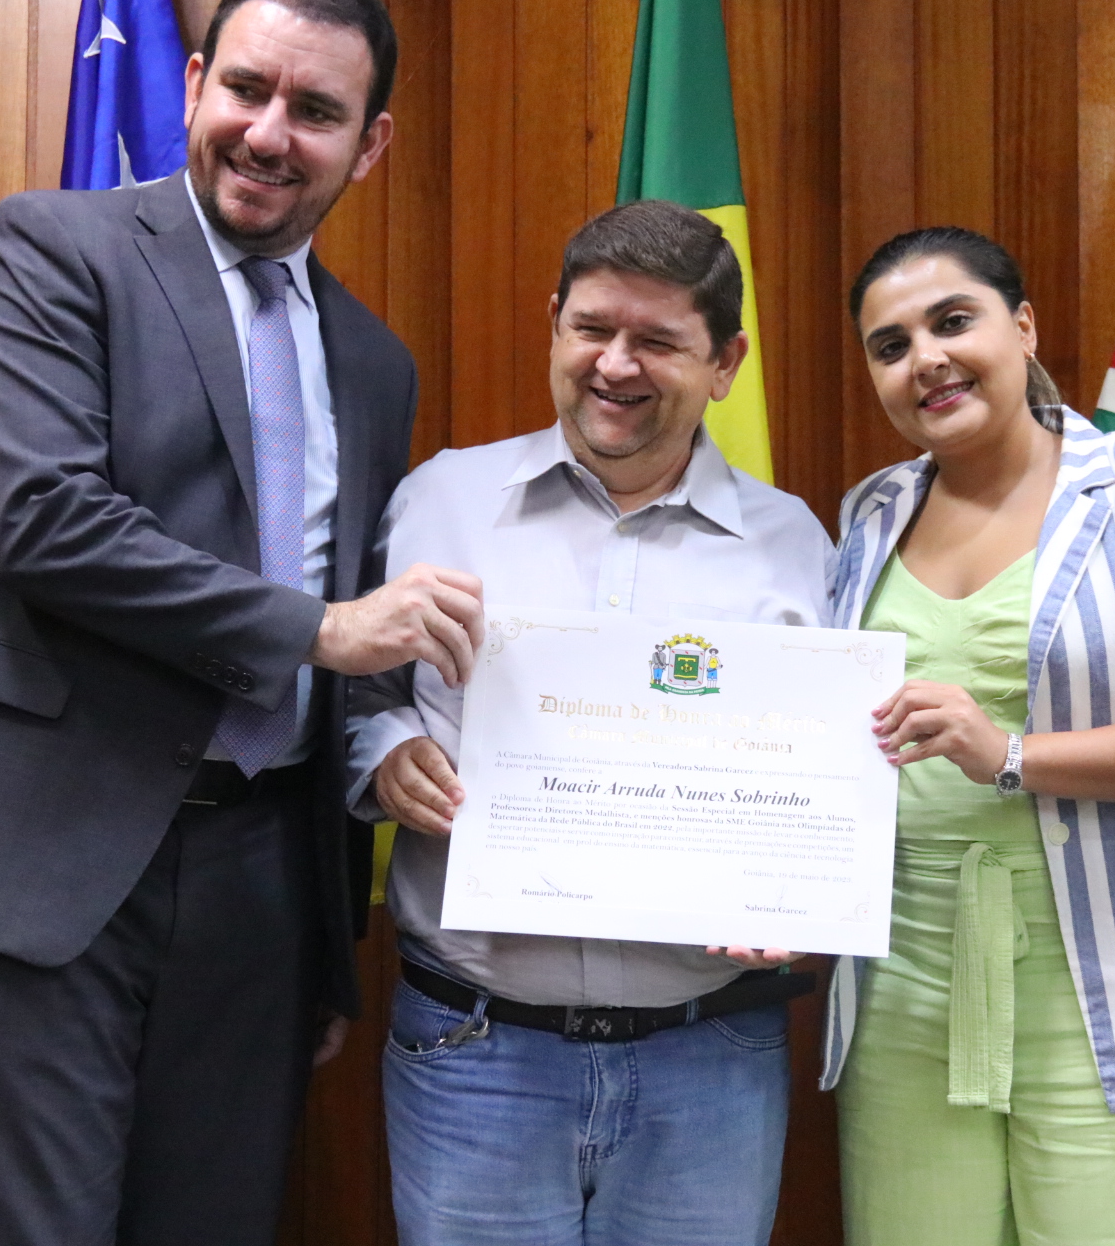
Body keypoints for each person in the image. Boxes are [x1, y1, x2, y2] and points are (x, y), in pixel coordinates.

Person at [0, 0, 484, 1242]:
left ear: (369, 144)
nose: (270, 132)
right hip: (40, 843)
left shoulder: (377, 363)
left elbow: (358, 649)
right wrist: (319, 630)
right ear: (195, 84)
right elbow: (46, 522)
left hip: (260, 882)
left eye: (316, 111)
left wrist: (327, 941)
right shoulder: (55, 248)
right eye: (248, 89)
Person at [348, 200, 835, 1246]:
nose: (616, 364)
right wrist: (385, 755)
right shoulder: (439, 499)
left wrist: (801, 888)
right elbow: (355, 689)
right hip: (475, 1052)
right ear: (553, 325)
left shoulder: (794, 545)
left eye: (657, 340)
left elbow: (834, 772)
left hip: (711, 1058)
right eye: (593, 328)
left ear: (726, 363)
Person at [822, 226, 1115, 1245]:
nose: (926, 359)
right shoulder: (871, 512)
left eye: (953, 321)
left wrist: (1009, 755)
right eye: (891, 346)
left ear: (1023, 326)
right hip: (907, 997)